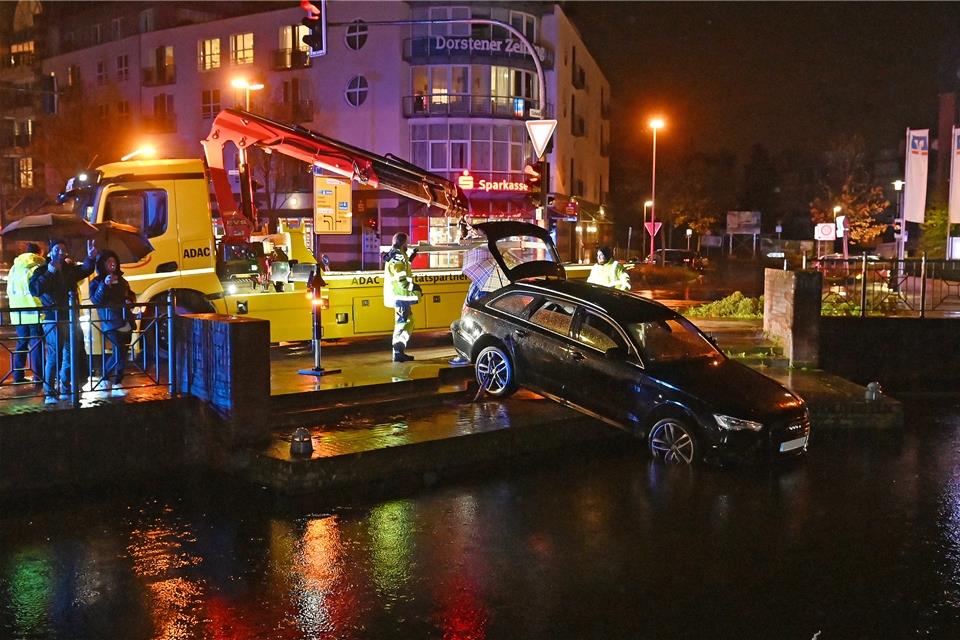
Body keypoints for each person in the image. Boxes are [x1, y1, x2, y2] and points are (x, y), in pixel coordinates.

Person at [29, 237, 98, 404]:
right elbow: (35, 289)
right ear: (50, 252)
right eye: (57, 249)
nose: (61, 252)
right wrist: (50, 272)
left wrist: (90, 258)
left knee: (69, 354)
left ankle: (65, 387)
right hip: (53, 319)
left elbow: (84, 270)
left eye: (63, 250)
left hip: (70, 318)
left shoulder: (69, 269)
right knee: (54, 356)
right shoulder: (42, 270)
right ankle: (49, 393)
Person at [89, 249, 135, 393]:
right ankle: (107, 379)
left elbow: (130, 295)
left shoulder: (122, 280)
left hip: (125, 320)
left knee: (123, 353)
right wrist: (104, 285)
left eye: (114, 261)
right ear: (102, 264)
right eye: (108, 261)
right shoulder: (96, 281)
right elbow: (96, 300)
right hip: (110, 321)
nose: (112, 263)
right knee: (118, 353)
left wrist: (130, 300)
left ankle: (115, 382)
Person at [7, 242, 46, 385]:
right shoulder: (37, 267)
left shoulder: (14, 268)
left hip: (18, 313)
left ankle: (17, 376)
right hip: (34, 312)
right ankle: (39, 378)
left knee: (22, 343)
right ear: (39, 253)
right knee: (37, 345)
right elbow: (39, 290)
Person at [382, 232, 421, 362]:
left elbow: (402, 268)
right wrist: (413, 287)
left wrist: (410, 259)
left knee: (408, 322)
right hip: (400, 296)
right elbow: (401, 279)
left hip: (400, 296)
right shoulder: (398, 257)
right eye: (407, 242)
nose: (408, 244)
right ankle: (398, 350)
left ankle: (399, 350)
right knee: (403, 323)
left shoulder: (397, 255)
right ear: (403, 242)